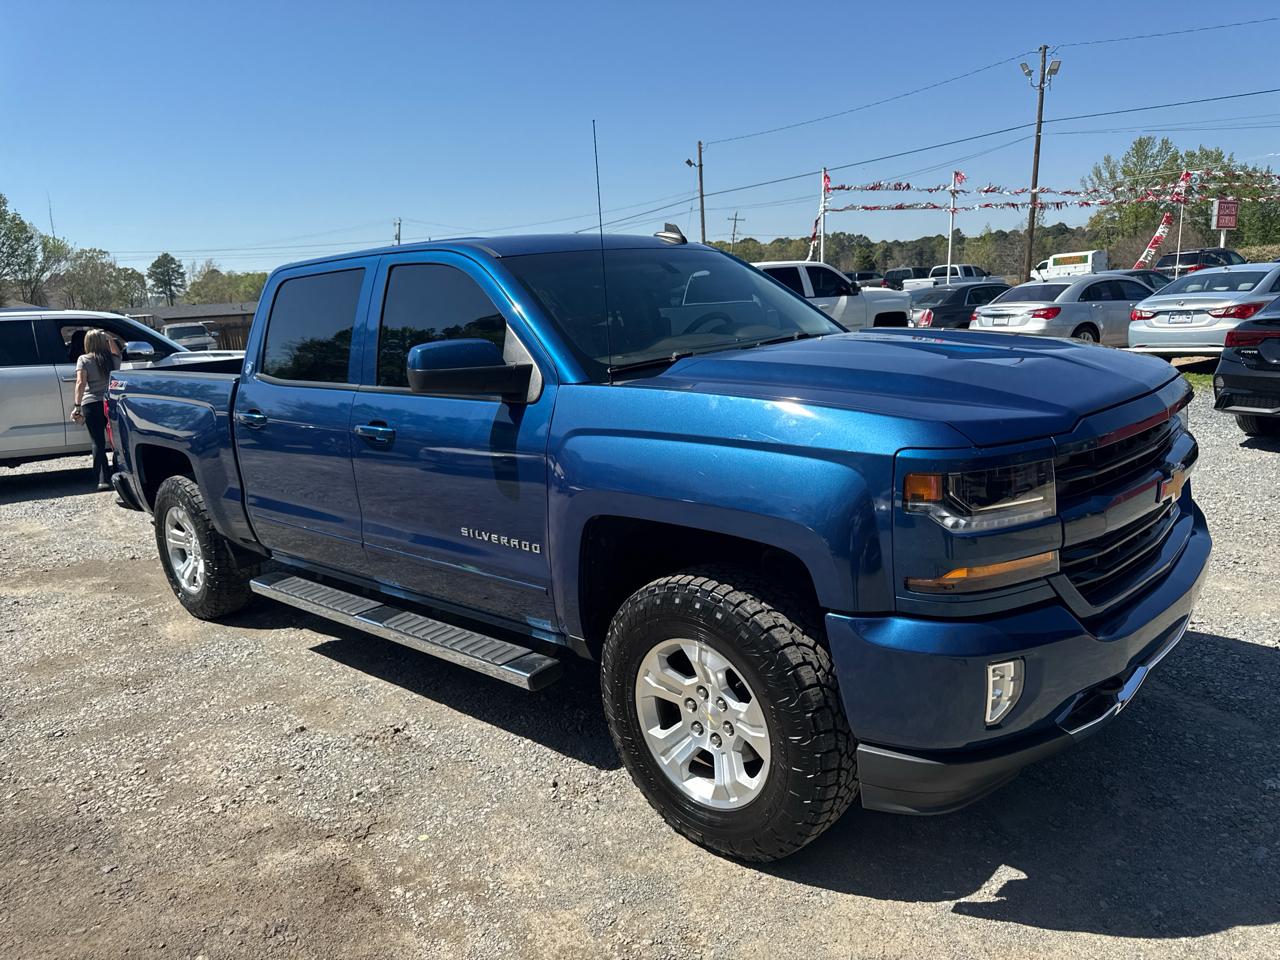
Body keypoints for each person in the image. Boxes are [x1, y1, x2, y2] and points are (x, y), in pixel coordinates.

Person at [70, 328, 120, 491]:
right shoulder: (112, 359)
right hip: (111, 403)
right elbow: (117, 352)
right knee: (116, 440)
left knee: (97, 441)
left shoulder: (83, 359)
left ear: (87, 343)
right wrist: (109, 338)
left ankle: (103, 479)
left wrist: (77, 406)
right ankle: (121, 475)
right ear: (103, 342)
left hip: (91, 404)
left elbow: (80, 383)